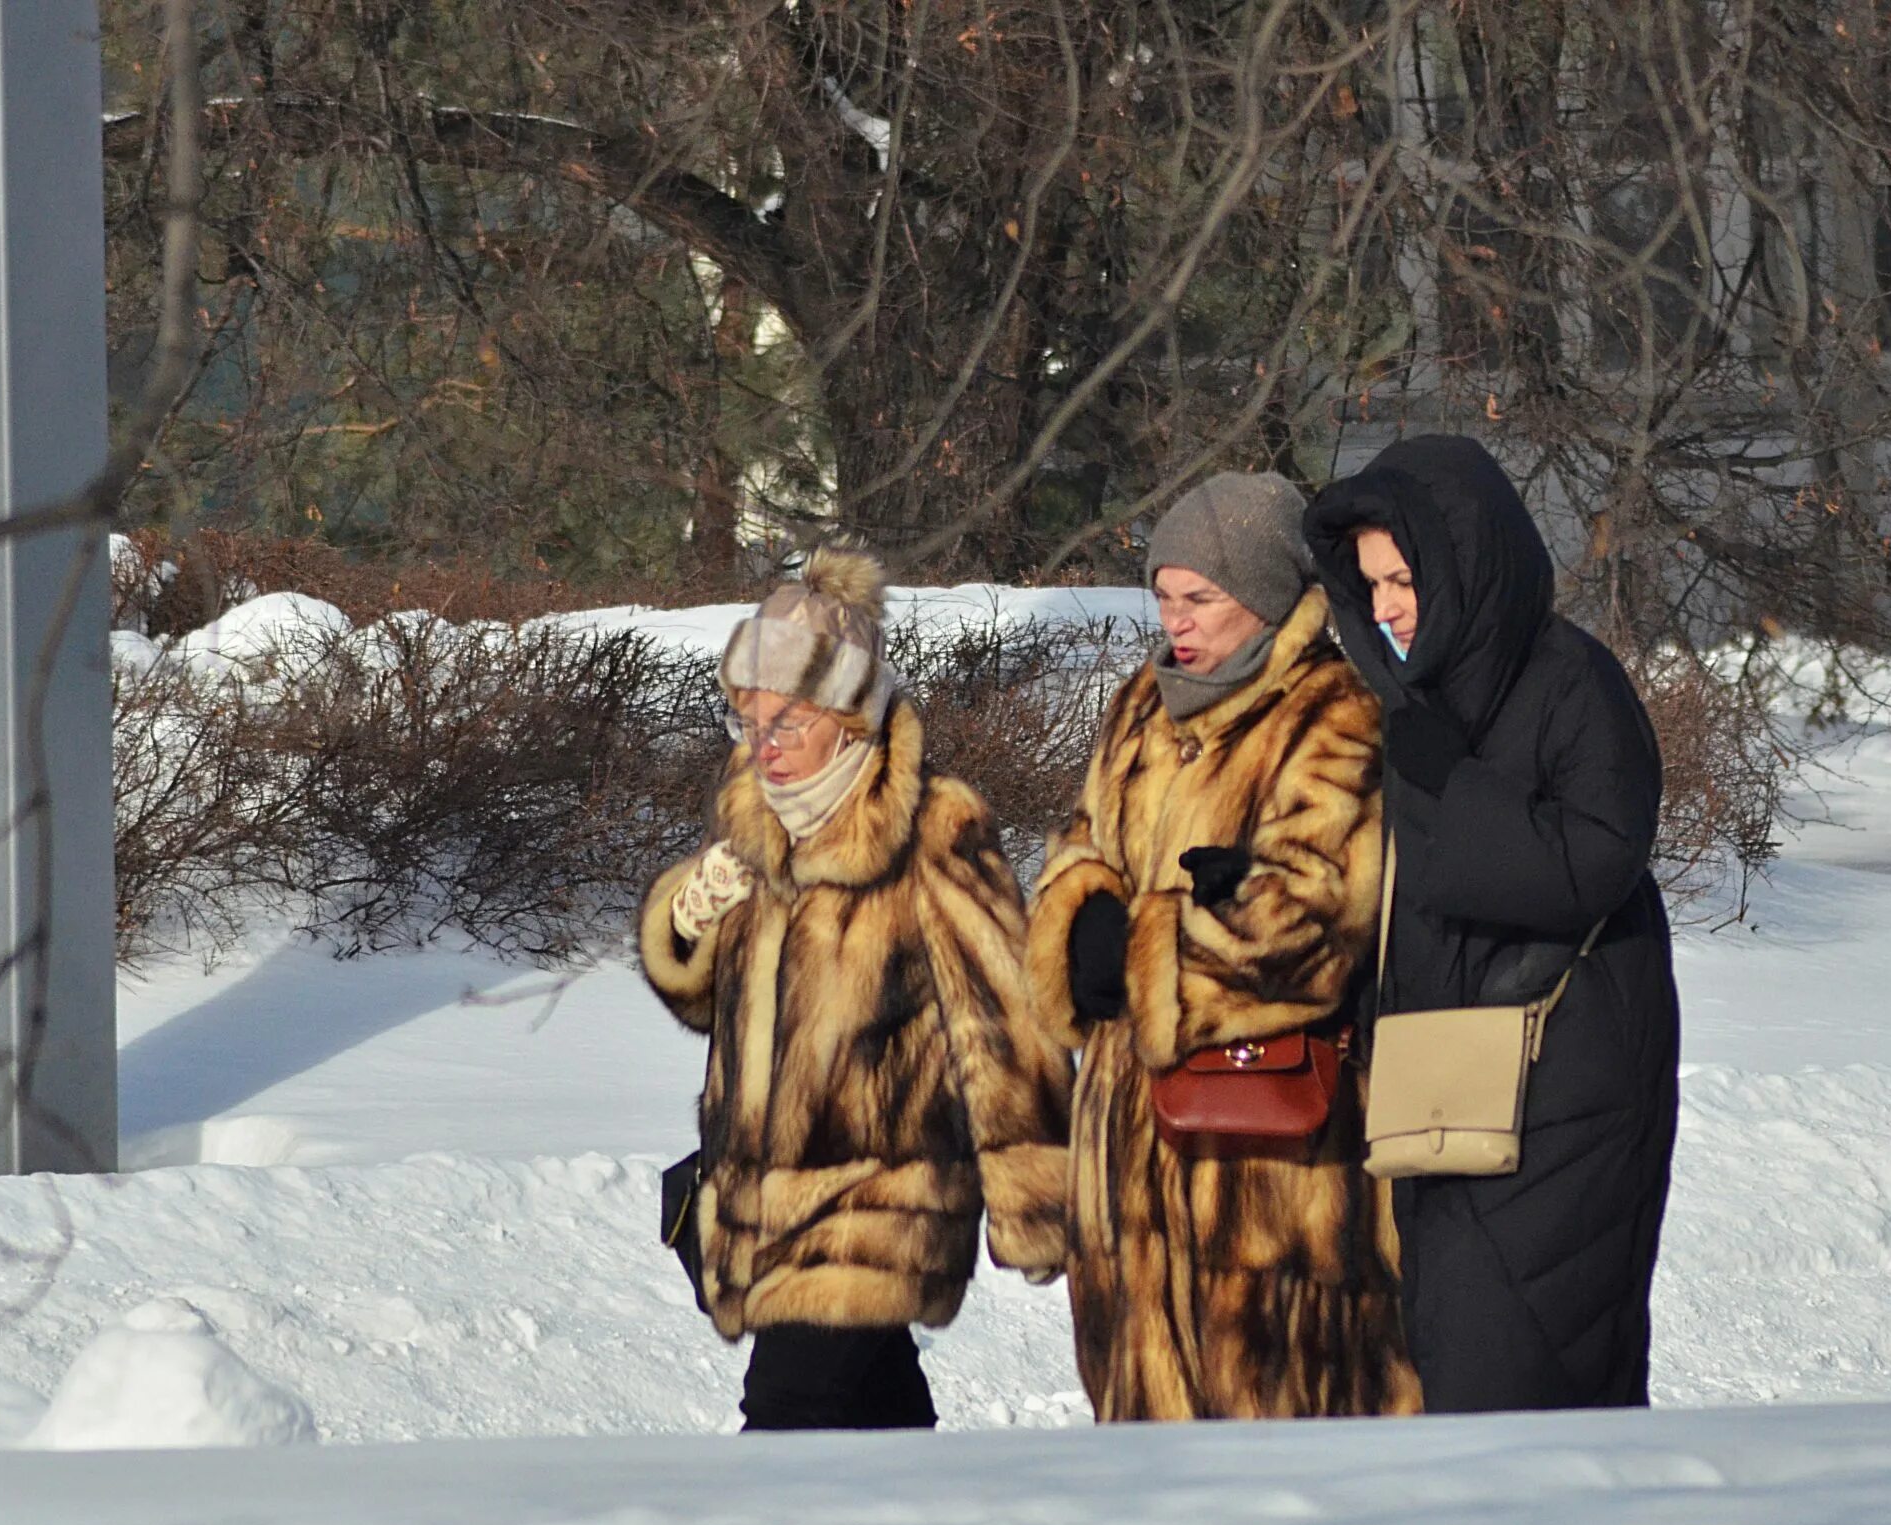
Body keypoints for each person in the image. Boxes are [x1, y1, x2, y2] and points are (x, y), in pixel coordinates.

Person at [638, 539, 1071, 1432]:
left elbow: (1003, 1023)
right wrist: (688, 925)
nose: (763, 746)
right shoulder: (759, 829)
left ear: (851, 715)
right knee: (878, 1430)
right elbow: (710, 1009)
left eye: (786, 721)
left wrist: (1036, 1196)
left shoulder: (930, 830)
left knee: (789, 1422)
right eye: (746, 720)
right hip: (759, 1199)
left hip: (878, 1205)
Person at [1025, 471, 1422, 1421]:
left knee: (1284, 1468)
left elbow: (1316, 916)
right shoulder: (1137, 707)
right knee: (1145, 1457)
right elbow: (1080, 845)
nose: (1176, 620)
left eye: (1200, 596)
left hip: (1271, 1169)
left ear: (1271, 590)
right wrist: (1077, 910)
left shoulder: (1337, 715)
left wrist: (1143, 948)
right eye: (1164, 596)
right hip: (1127, 1164)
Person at [1303, 434, 1681, 1413]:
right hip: (1449, 1096)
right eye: (1370, 582)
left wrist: (1450, 783)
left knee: (1522, 1372)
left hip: (1563, 1091)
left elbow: (1597, 855)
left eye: (1402, 577)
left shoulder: (1568, 680)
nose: (1383, 605)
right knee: (1462, 1368)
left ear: (1464, 564)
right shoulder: (1415, 703)